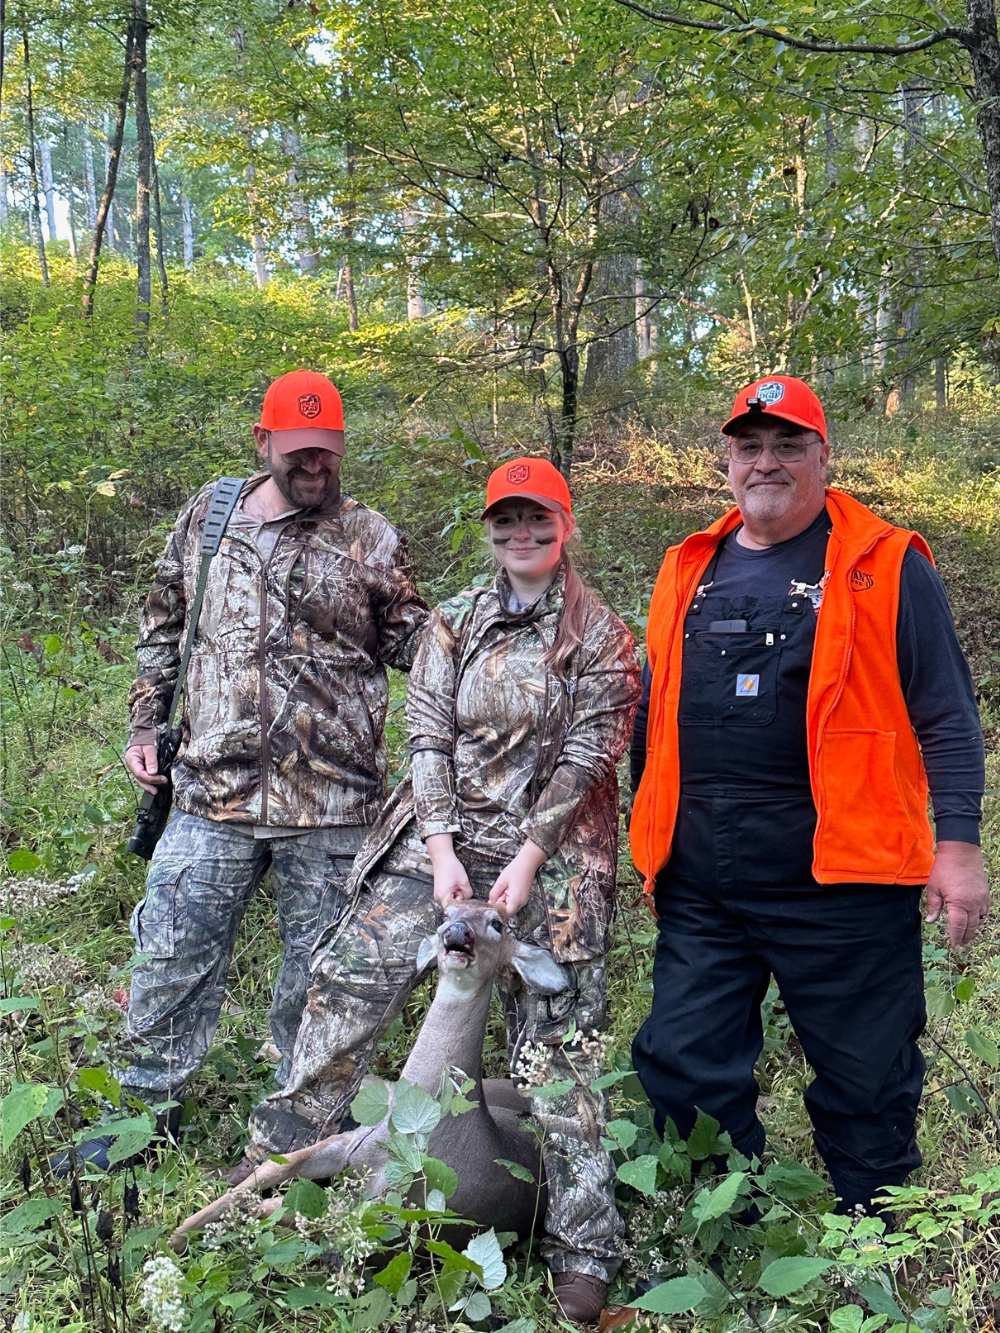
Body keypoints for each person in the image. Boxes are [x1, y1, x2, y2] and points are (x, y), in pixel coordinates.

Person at [240, 457, 640, 1323]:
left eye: (539, 519)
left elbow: (588, 757)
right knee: (346, 980)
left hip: (557, 857)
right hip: (443, 843)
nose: (521, 535)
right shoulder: (453, 621)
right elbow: (426, 737)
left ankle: (582, 1242)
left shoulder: (604, 635)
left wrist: (526, 866)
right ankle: (280, 1155)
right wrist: (440, 845)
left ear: (566, 525)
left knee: (560, 1047)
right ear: (489, 528)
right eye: (506, 521)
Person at [630, 374, 989, 1218]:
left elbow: (947, 712)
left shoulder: (886, 563)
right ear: (725, 461)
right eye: (750, 446)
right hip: (704, 876)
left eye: (789, 444)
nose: (767, 462)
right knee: (681, 1059)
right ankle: (729, 1224)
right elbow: (654, 710)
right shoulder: (688, 565)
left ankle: (875, 1240)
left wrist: (960, 846)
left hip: (845, 878)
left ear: (824, 457)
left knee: (868, 1072)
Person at [72, 370, 428, 1169]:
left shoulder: (370, 535)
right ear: (262, 442)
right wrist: (143, 720)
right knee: (170, 955)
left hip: (333, 802)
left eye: (328, 454)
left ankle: (296, 1142)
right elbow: (164, 617)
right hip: (210, 791)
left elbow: (416, 642)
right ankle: (140, 1117)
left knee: (319, 982)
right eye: (299, 453)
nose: (315, 469)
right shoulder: (211, 514)